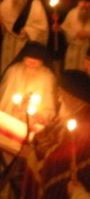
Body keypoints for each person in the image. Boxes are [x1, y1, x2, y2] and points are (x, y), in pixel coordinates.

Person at [22, 70, 90, 198]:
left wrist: (32, 155)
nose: (58, 97)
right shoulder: (77, 111)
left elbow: (58, 161)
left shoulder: (84, 122)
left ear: (73, 97)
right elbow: (57, 133)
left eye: (61, 93)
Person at [0, 0, 49, 91]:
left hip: (24, 48)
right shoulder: (5, 3)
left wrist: (28, 30)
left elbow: (43, 28)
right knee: (5, 72)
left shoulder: (36, 5)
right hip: (8, 47)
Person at [0, 41, 57, 125]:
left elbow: (49, 101)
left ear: (41, 62)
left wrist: (43, 115)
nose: (31, 65)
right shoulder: (14, 70)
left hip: (34, 116)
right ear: (23, 59)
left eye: (35, 63)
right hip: (11, 112)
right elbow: (5, 95)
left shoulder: (47, 76)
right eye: (29, 62)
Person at [59, 0, 90, 71]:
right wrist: (76, 34)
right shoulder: (72, 13)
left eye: (87, 2)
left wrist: (88, 34)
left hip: (87, 49)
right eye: (81, 2)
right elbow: (65, 28)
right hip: (73, 49)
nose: (84, 5)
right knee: (71, 71)